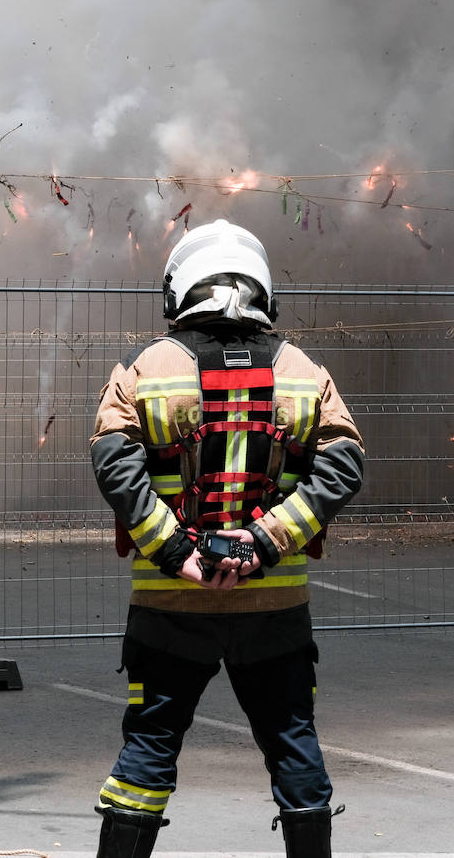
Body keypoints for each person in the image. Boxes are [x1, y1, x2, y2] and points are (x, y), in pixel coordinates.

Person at [88, 218, 366, 858]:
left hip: (169, 606)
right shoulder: (304, 372)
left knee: (150, 746)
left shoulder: (143, 370)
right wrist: (264, 543)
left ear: (180, 287)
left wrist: (179, 552)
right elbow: (344, 465)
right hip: (276, 611)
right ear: (261, 287)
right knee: (293, 742)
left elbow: (114, 465)